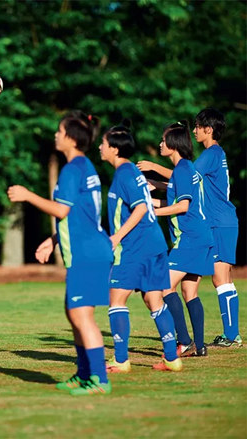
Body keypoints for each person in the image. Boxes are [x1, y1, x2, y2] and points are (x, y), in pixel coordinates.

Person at [8, 111, 113, 395]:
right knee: (73, 312)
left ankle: (99, 380)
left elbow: (62, 210)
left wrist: (28, 195)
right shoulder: (83, 165)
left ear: (71, 138)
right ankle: (84, 374)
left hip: (87, 253)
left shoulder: (72, 169)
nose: (56, 135)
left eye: (59, 131)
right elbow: (81, 215)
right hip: (89, 250)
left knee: (82, 316)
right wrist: (53, 240)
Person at [139, 109, 241, 348]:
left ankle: (230, 335)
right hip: (219, 221)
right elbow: (183, 181)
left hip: (218, 221)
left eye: (197, 126)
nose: (194, 131)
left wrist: (154, 169)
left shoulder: (211, 153)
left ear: (209, 129)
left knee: (220, 278)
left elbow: (184, 174)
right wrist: (157, 185)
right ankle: (223, 336)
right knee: (211, 282)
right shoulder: (214, 154)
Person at [98, 122, 182, 373]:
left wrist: (116, 237)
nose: (100, 147)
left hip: (136, 246)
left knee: (116, 298)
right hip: (153, 243)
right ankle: (172, 358)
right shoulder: (130, 172)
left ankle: (121, 360)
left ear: (114, 149)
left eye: (103, 143)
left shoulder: (124, 173)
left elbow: (142, 208)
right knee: (153, 299)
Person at [148, 121, 214, 357]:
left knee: (164, 286)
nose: (160, 144)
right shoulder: (185, 169)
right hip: (200, 237)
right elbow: (174, 202)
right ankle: (199, 346)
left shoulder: (183, 169)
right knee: (189, 292)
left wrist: (153, 213)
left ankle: (184, 342)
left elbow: (183, 206)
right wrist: (148, 203)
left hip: (190, 238)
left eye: (163, 140)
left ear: (173, 143)